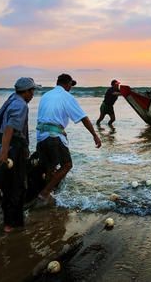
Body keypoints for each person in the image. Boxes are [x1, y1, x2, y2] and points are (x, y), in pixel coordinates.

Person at [35, 73, 102, 205]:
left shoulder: (46, 95)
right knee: (67, 164)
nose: (71, 87)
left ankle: (50, 192)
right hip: (54, 136)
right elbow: (83, 117)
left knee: (50, 167)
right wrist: (95, 135)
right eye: (71, 85)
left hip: (41, 136)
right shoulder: (67, 97)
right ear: (67, 84)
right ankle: (44, 194)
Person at [0, 77, 39, 233]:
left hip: (3, 146)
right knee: (17, 186)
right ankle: (12, 224)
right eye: (32, 91)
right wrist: (5, 152)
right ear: (26, 91)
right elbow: (10, 128)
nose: (33, 94)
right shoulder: (21, 105)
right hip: (11, 150)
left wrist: (2, 148)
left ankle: (9, 221)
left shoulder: (11, 99)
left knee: (6, 186)